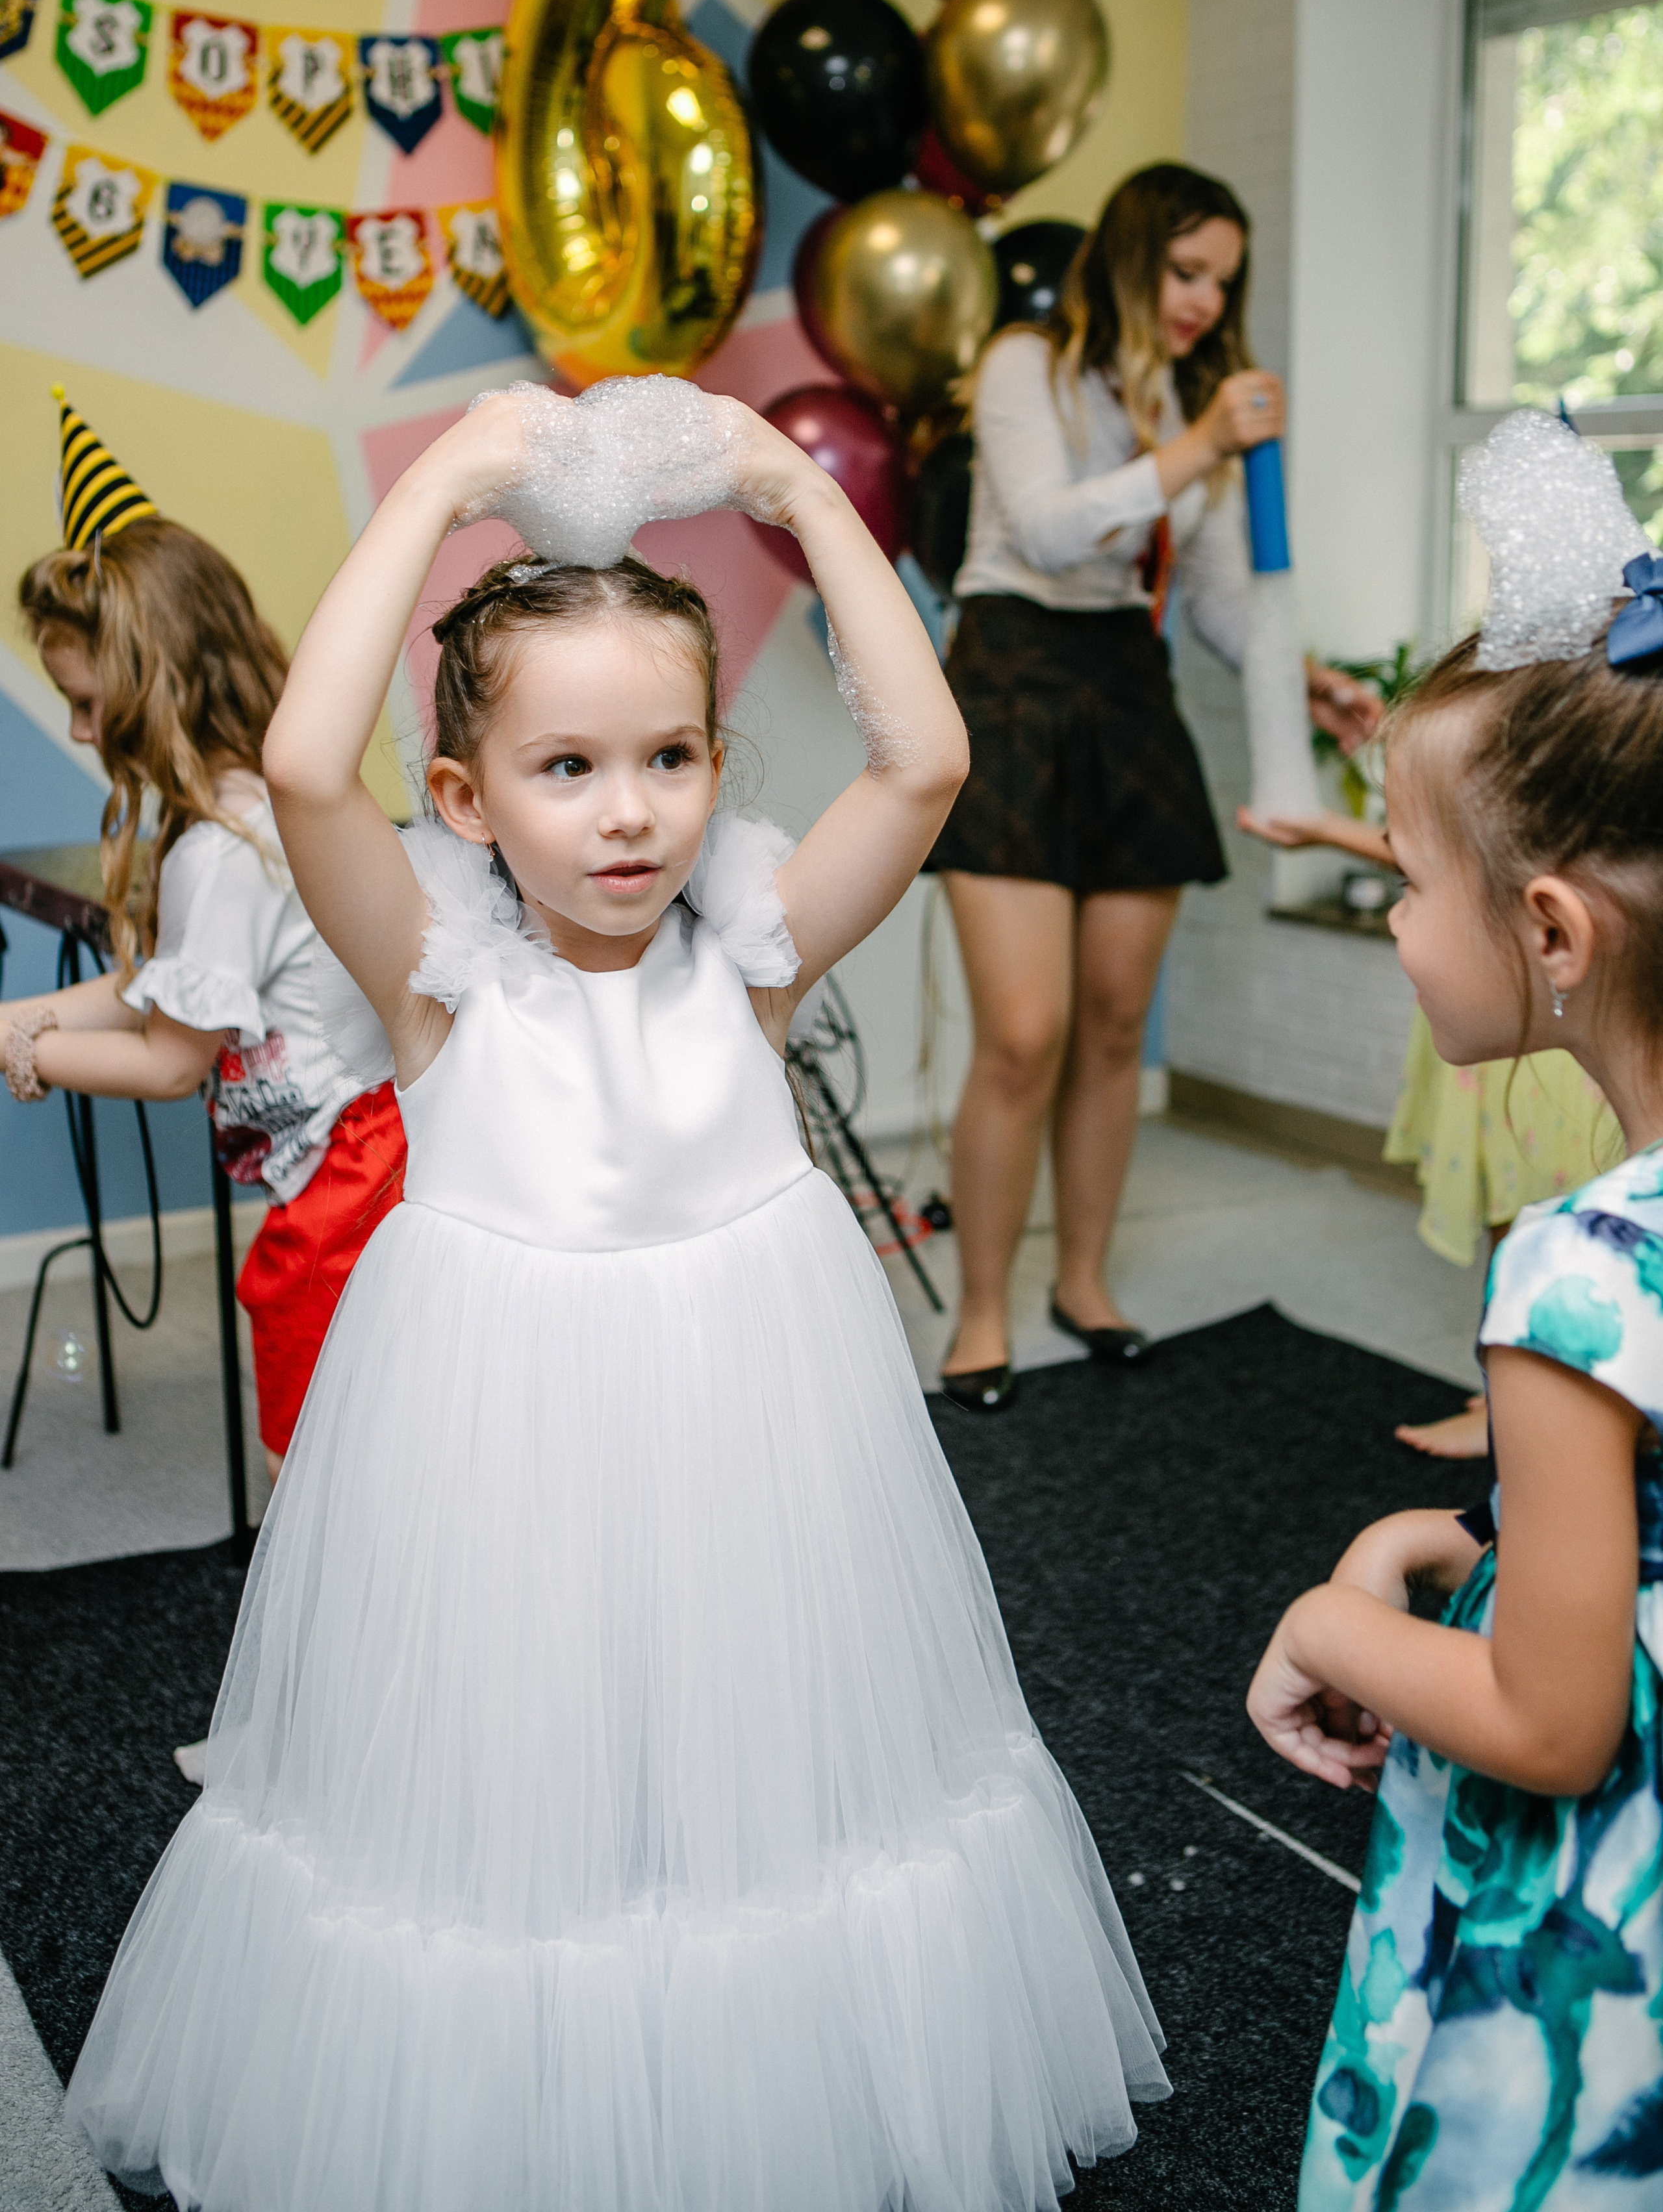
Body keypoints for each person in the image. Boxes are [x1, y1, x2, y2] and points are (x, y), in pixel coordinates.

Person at [64, 377, 1170, 2211]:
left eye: (670, 757)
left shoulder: (750, 958)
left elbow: (927, 765)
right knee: (530, 1776)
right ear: (466, 795)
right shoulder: (433, 980)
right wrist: (443, 499)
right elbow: (311, 766)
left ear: (722, 769)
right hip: (505, 1424)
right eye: (565, 770)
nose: (629, 815)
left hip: (755, 1413)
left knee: (752, 1754)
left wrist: (793, 498)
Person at [1247, 409, 1663, 2204]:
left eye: (1408, 885)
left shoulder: (1575, 1274)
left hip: (1591, 1938)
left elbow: (1550, 1721)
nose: (1402, 920)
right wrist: (1456, 1528)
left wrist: (1333, 1622)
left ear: (1554, 934)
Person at [928, 162, 1380, 1411]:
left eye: (1223, 282)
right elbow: (1048, 531)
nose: (1203, 301)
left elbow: (1227, 600)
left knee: (1117, 1025)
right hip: (1013, 680)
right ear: (1133, 258)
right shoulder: (1028, 363)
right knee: (1024, 1032)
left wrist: (1318, 681)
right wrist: (1197, 443)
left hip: (1127, 693)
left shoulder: (1193, 407)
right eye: (1187, 272)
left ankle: (1085, 1281)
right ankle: (979, 1312)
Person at [1, 395, 405, 1503]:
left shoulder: (217, 851)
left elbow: (171, 1059)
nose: (82, 734)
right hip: (385, 1151)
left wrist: (24, 1051)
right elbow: (172, 988)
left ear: (152, 685)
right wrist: (23, 1021)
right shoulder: (254, 804)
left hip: (347, 1184)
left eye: (88, 705)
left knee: (311, 1468)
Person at [1245, 804, 1615, 1460]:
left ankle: (1531, 1406)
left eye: (1408, 895)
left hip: (1546, 1002)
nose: (1394, 917)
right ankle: (1518, 1391)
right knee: (1515, 1210)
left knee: (1539, 1212)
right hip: (1518, 992)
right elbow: (1455, 849)